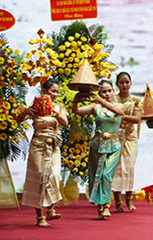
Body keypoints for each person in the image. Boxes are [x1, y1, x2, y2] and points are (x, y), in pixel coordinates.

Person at [18, 79, 68, 227]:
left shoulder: (59, 107)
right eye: (53, 91)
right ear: (44, 92)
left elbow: (65, 123)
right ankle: (40, 217)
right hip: (38, 145)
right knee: (39, 176)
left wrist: (56, 113)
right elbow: (19, 120)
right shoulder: (35, 106)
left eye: (57, 92)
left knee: (54, 175)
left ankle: (51, 209)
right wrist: (26, 112)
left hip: (53, 146)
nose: (55, 94)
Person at [73, 79, 125, 220]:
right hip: (97, 144)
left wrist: (101, 101)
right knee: (97, 175)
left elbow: (118, 112)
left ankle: (106, 205)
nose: (107, 93)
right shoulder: (95, 107)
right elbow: (76, 111)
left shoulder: (119, 105)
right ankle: (100, 208)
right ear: (99, 93)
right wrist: (75, 100)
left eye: (109, 90)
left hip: (114, 145)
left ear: (113, 91)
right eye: (104, 91)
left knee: (106, 175)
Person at [111, 71, 143, 212]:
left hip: (130, 136)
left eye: (127, 82)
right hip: (114, 136)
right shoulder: (112, 99)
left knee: (129, 168)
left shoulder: (135, 101)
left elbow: (137, 119)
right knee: (115, 168)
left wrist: (120, 115)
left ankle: (129, 200)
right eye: (121, 82)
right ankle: (118, 202)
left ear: (130, 84)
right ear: (117, 84)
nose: (124, 85)